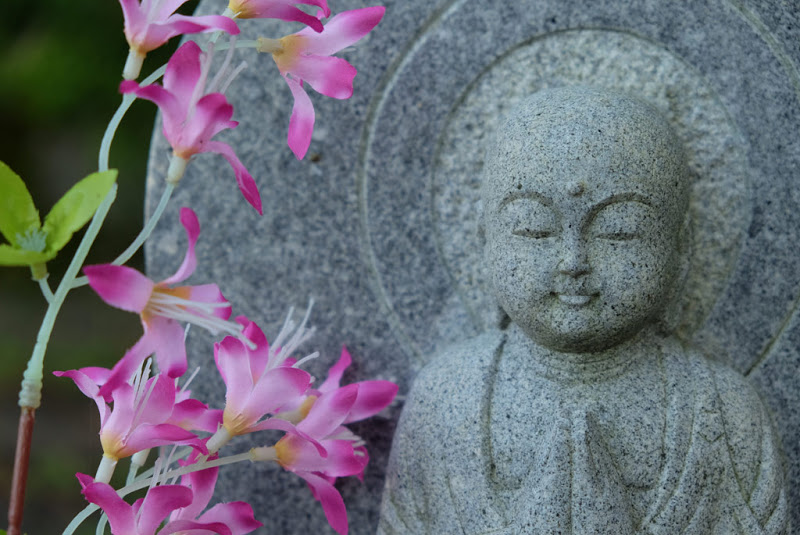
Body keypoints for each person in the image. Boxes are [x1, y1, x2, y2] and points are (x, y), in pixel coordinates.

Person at [378, 87, 788, 534]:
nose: (574, 261)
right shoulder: (445, 399)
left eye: (619, 230)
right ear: (487, 242)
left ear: (681, 250)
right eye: (534, 229)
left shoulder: (726, 413)